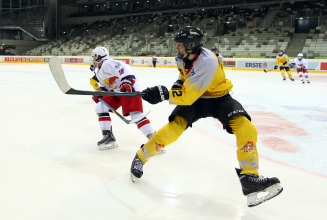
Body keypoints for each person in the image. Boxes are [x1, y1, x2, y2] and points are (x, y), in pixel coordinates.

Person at [130, 26, 283, 207]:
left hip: (218, 98)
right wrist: (176, 85)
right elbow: (183, 76)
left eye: (180, 45)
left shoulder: (207, 61)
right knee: (174, 129)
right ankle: (141, 156)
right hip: (196, 99)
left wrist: (164, 94)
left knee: (246, 128)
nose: (177, 49)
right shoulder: (183, 57)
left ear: (192, 45)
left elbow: (187, 96)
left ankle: (249, 177)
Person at [89, 47, 163, 152]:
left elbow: (125, 68)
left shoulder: (107, 64)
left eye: (93, 58)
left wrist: (127, 81)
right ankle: (108, 138)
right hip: (116, 92)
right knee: (100, 108)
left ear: (99, 57)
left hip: (129, 89)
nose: (92, 60)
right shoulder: (99, 73)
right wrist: (100, 92)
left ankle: (156, 141)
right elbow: (108, 87)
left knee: (135, 115)